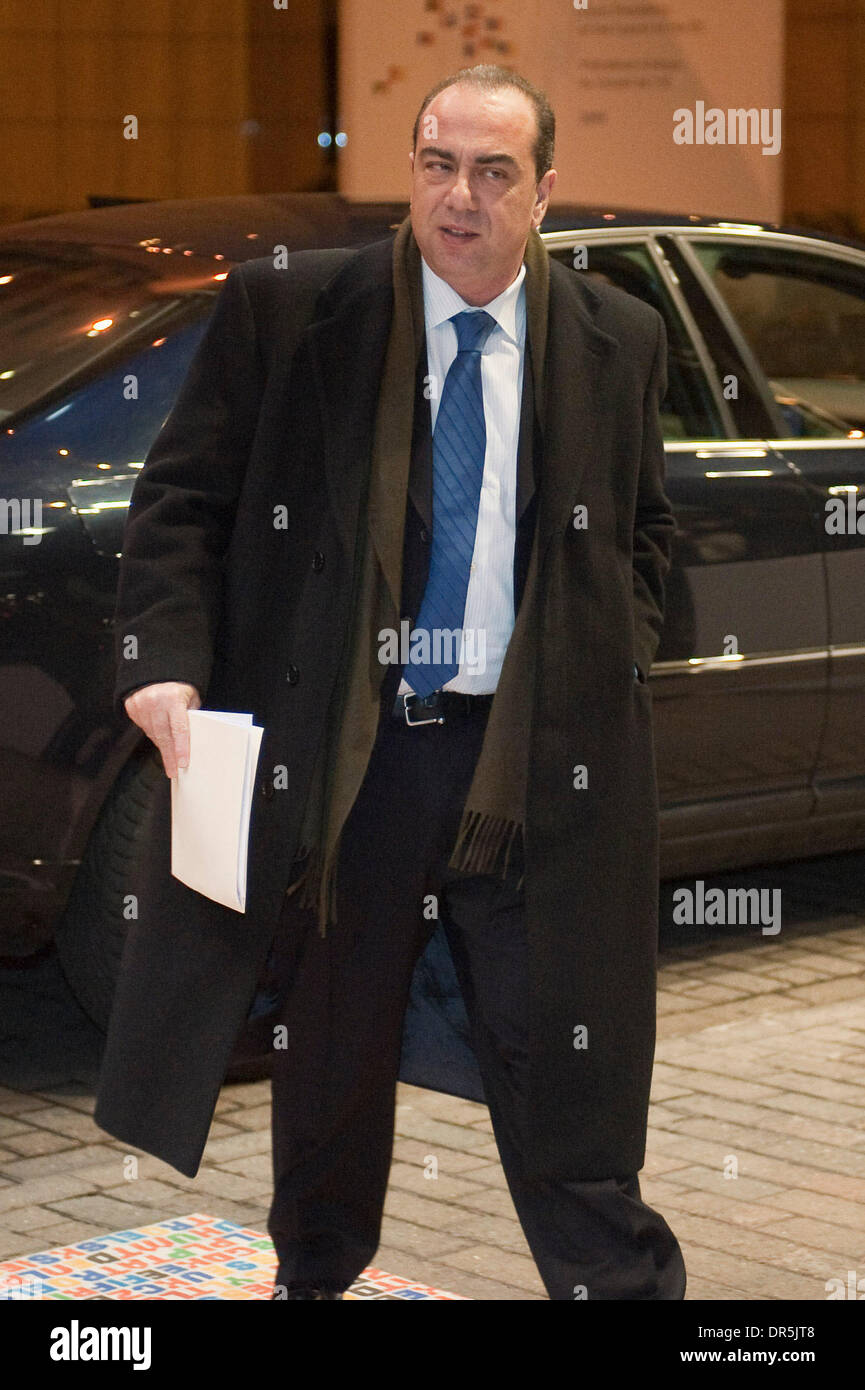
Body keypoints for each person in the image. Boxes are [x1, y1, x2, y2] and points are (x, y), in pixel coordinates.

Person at [94, 64, 685, 1300]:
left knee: (558, 1059)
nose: (457, 196)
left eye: (491, 171)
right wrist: (165, 664)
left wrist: (605, 650)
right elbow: (181, 501)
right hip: (355, 758)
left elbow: (645, 536)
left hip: (528, 767)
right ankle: (316, 1278)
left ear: (544, 193)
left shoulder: (616, 336)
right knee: (332, 1059)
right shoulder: (297, 312)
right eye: (434, 163)